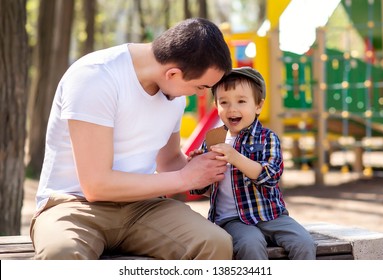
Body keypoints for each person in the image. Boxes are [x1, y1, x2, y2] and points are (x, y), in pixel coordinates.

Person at [30, 17, 234, 260]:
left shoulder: (175, 96)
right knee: (61, 255)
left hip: (143, 207)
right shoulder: (95, 77)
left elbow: (169, 161)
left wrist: (204, 168)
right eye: (201, 87)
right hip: (73, 205)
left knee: (215, 243)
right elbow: (96, 185)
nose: (200, 94)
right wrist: (184, 178)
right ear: (173, 73)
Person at [190, 67, 316, 260]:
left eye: (241, 101)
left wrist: (235, 157)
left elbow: (271, 176)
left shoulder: (268, 138)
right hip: (232, 220)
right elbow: (201, 189)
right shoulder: (212, 140)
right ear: (216, 105)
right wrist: (196, 167)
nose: (232, 108)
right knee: (251, 244)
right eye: (224, 102)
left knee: (304, 243)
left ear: (258, 106)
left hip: (272, 215)